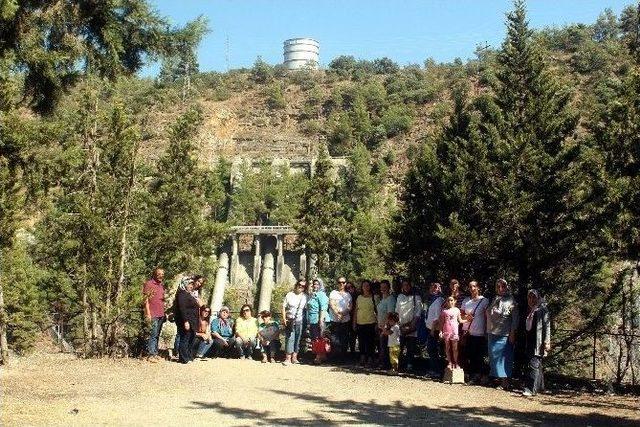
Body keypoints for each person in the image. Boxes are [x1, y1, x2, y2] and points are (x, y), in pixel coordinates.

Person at [486, 278, 519, 389]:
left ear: (507, 287)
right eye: (498, 286)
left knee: (505, 357)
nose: (501, 288)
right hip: (492, 332)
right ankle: (499, 379)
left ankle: (506, 381)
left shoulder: (511, 300)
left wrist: (512, 333)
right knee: (494, 357)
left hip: (505, 333)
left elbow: (515, 319)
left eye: (503, 286)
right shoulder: (495, 298)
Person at [523, 289, 551, 397]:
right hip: (529, 341)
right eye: (529, 297)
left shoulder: (542, 309)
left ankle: (530, 389)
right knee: (533, 364)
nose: (531, 299)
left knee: (534, 364)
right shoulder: (530, 310)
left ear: (538, 297)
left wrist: (547, 342)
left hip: (538, 342)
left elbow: (547, 326)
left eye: (533, 297)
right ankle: (537, 387)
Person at [461, 281, 489, 383]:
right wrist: (466, 317)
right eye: (470, 286)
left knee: (479, 356)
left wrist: (487, 331)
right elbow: (461, 316)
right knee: (470, 355)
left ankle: (480, 376)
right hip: (468, 332)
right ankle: (473, 376)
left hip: (480, 332)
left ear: (478, 288)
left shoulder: (484, 301)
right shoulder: (466, 301)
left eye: (474, 286)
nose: (472, 288)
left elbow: (487, 317)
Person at [395, 279, 422, 371]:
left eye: (407, 285)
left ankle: (409, 365)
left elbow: (418, 312)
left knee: (410, 347)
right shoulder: (399, 296)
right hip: (401, 325)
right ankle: (399, 365)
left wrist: (412, 325)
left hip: (412, 325)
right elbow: (397, 311)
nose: (405, 287)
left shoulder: (416, 297)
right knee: (400, 346)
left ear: (410, 286)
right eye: (404, 285)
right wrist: (399, 325)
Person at [438, 296, 469, 369]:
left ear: (455, 301)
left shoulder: (457, 310)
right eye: (448, 301)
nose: (450, 302)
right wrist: (440, 331)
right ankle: (449, 362)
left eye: (451, 300)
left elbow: (460, 320)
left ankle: (455, 362)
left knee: (455, 348)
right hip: (446, 331)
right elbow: (441, 323)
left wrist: (468, 320)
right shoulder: (444, 311)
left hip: (454, 331)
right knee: (447, 348)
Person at [143, 268, 166, 363]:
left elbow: (162, 300)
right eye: (159, 274)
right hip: (153, 314)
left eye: (162, 274)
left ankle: (155, 353)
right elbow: (145, 300)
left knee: (157, 335)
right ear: (154, 274)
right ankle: (151, 355)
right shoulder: (149, 284)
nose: (161, 276)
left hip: (161, 314)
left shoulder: (161, 286)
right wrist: (148, 313)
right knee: (153, 334)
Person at [282, 280, 308, 366]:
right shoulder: (289, 295)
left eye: (303, 286)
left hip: (299, 320)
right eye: (299, 284)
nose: (301, 286)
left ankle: (295, 357)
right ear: (296, 285)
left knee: (297, 338)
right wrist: (284, 319)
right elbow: (283, 307)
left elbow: (307, 308)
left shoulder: (305, 296)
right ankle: (288, 358)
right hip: (290, 319)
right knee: (290, 338)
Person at [353, 279, 378, 366]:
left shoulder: (374, 297)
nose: (366, 287)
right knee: (361, 341)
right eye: (364, 286)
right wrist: (354, 323)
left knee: (371, 342)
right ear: (362, 287)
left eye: (367, 285)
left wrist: (377, 323)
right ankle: (362, 357)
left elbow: (377, 311)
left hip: (371, 322)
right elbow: (356, 311)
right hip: (360, 323)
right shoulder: (359, 297)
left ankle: (370, 358)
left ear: (370, 287)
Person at [177, 277, 200, 363]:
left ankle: (188, 356)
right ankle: (183, 358)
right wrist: (185, 321)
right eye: (189, 284)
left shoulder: (189, 294)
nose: (191, 286)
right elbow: (182, 308)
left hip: (192, 321)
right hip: (187, 320)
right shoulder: (182, 294)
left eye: (192, 284)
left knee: (190, 338)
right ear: (185, 284)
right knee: (185, 338)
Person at [328, 277, 353, 357]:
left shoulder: (348, 294)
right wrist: (337, 314)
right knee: (334, 339)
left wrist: (342, 314)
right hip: (334, 320)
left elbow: (350, 307)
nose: (341, 284)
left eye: (343, 282)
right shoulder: (333, 293)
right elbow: (332, 304)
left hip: (345, 321)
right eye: (339, 282)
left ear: (345, 283)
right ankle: (335, 357)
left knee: (344, 339)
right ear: (337, 283)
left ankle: (343, 357)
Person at [307, 279, 330, 364]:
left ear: (321, 285)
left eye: (317, 284)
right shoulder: (312, 295)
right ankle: (322, 356)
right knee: (316, 338)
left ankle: (318, 357)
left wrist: (321, 320)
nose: (315, 286)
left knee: (319, 338)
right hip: (313, 319)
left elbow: (323, 308)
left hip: (319, 319)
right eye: (314, 284)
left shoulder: (321, 294)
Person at [424, 282, 444, 377]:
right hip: (429, 327)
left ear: (439, 289)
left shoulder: (439, 300)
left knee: (432, 349)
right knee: (431, 349)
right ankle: (433, 369)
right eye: (432, 287)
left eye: (436, 287)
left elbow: (437, 317)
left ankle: (436, 370)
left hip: (434, 329)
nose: (433, 289)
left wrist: (432, 330)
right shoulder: (430, 299)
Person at [376, 280, 396, 368]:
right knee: (382, 346)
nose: (383, 289)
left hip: (387, 327)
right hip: (380, 326)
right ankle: (383, 363)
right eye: (381, 287)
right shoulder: (382, 299)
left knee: (386, 346)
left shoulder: (391, 299)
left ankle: (386, 365)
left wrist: (385, 327)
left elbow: (390, 314)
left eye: (385, 287)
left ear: (389, 288)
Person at [345, 281, 358, 354]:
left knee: (354, 335)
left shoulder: (358, 296)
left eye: (351, 287)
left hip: (357, 318)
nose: (350, 289)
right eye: (348, 288)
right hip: (347, 318)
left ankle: (353, 352)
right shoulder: (345, 296)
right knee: (347, 335)